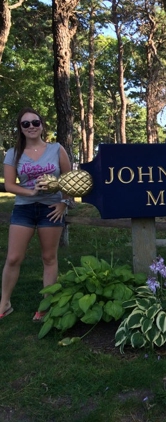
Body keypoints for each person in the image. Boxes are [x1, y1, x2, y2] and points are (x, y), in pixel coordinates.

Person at [0, 107, 72, 321]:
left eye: (35, 122)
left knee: (49, 257)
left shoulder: (57, 149)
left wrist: (64, 203)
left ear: (41, 125)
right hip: (24, 209)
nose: (31, 126)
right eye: (26, 124)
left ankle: (47, 304)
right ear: (20, 128)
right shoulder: (13, 153)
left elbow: (69, 180)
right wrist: (31, 191)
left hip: (50, 209)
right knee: (13, 258)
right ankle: (5, 302)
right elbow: (10, 185)